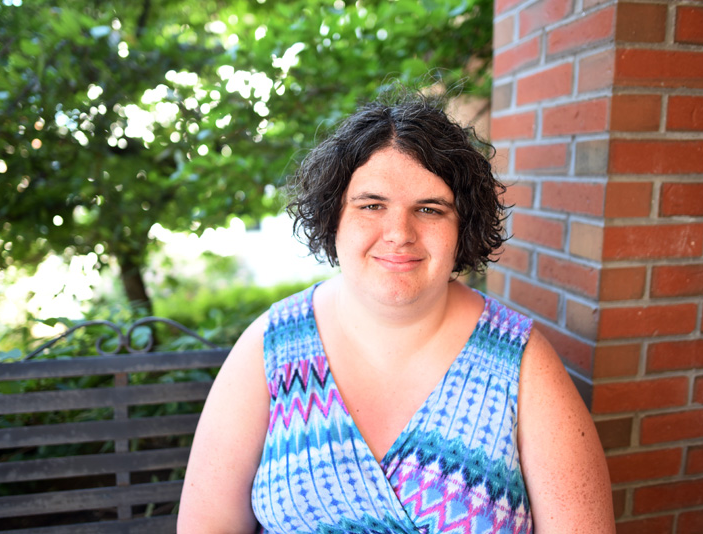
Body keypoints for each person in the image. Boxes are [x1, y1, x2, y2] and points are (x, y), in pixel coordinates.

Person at [177, 90, 614, 533]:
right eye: (371, 205)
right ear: (334, 217)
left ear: (463, 227)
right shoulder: (270, 347)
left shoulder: (521, 363)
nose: (398, 234)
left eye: (429, 209)